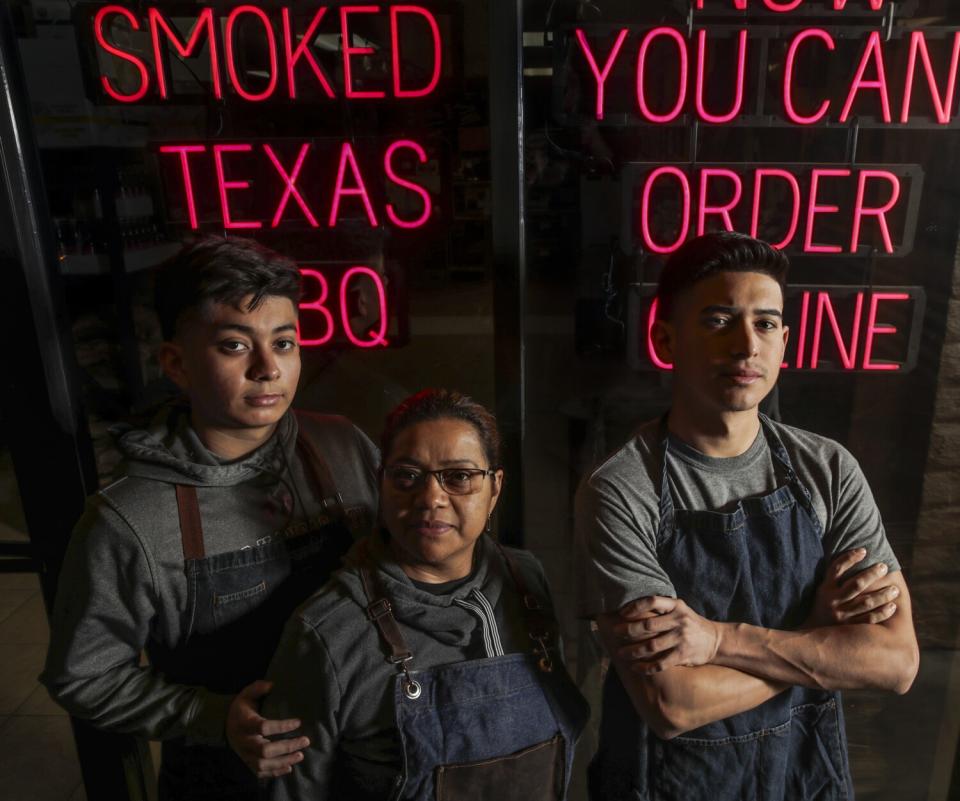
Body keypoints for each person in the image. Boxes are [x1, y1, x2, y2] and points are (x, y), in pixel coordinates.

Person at [575, 231, 920, 801]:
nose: (745, 346)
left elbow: (895, 662)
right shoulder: (621, 490)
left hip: (804, 776)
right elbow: (673, 704)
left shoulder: (828, 469)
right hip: (668, 783)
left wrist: (716, 640)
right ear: (666, 337)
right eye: (717, 320)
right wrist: (818, 634)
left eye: (764, 324)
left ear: (784, 341)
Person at [42, 237, 379, 800]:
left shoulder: (344, 445)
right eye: (234, 345)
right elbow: (82, 675)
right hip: (228, 780)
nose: (268, 369)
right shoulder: (129, 519)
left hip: (360, 758)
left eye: (285, 342)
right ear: (176, 362)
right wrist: (211, 716)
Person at [262, 389, 589, 801]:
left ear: (495, 488)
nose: (431, 498)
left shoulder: (525, 582)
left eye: (459, 477)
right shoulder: (327, 632)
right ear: (382, 482)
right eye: (407, 476)